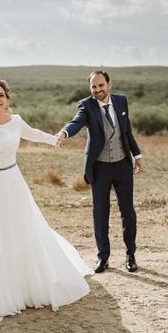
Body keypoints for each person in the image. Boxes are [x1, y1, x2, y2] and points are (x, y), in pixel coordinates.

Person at [0, 78, 92, 325]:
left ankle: (24, 288)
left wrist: (55, 139)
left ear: (7, 99)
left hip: (12, 183)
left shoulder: (16, 122)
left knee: (18, 232)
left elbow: (34, 134)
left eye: (1, 95)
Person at [56, 70, 143, 274]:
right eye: (94, 87)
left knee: (127, 211)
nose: (98, 90)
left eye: (101, 85)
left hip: (122, 164)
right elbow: (77, 122)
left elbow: (127, 131)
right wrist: (64, 132)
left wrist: (136, 155)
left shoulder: (121, 102)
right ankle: (103, 258)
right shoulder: (86, 105)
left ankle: (130, 255)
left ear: (109, 85)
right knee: (100, 213)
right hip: (100, 167)